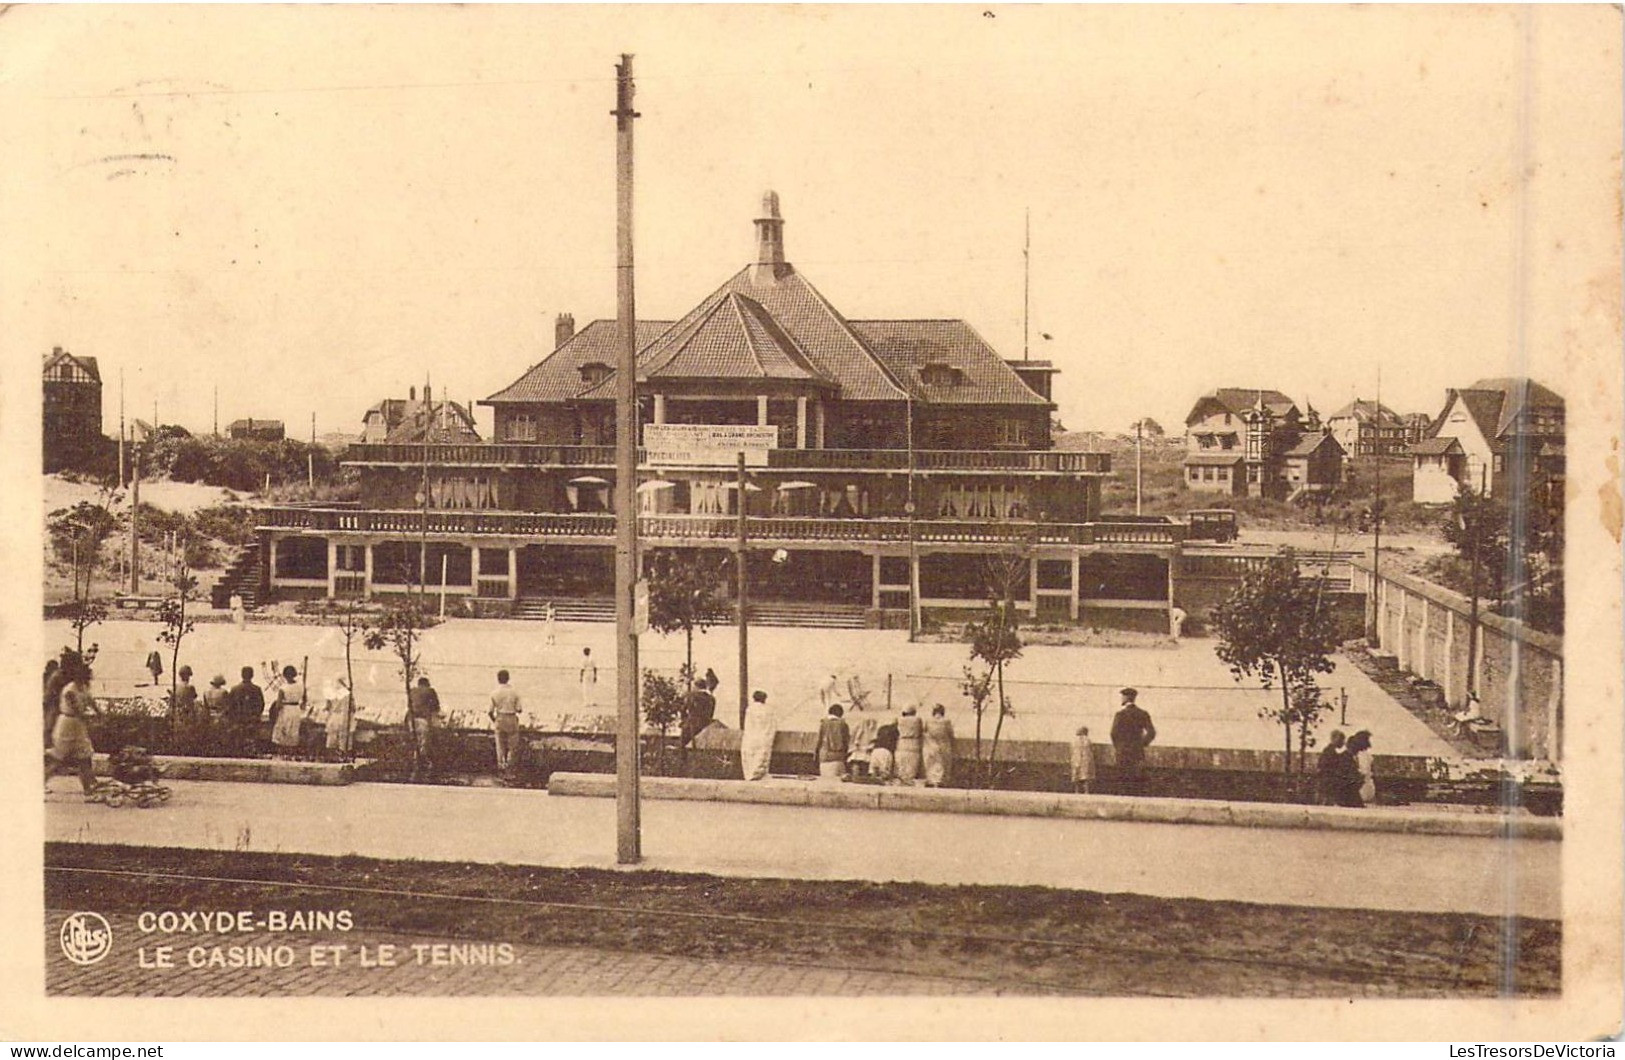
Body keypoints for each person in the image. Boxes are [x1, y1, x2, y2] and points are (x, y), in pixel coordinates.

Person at [45, 657, 100, 797]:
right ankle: (40, 783)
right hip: (67, 726)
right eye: (87, 676)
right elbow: (76, 709)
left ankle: (88, 789)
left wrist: (100, 713)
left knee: (85, 756)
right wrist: (89, 719)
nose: (89, 678)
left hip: (77, 725)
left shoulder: (83, 687)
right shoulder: (70, 690)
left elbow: (90, 700)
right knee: (59, 759)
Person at [1109, 687, 1156, 796]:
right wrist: (1142, 744)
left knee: (1123, 779)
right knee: (1136, 779)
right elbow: (1151, 732)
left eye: (1123, 696)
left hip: (1123, 752)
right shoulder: (1143, 713)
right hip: (1137, 751)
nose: (1121, 698)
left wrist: (1119, 747)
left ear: (1126, 697)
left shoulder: (1120, 714)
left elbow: (1113, 733)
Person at [407, 675, 442, 781]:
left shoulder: (412, 691)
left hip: (410, 721)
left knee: (415, 743)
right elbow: (436, 707)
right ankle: (423, 768)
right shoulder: (430, 691)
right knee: (424, 744)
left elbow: (409, 706)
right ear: (427, 684)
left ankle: (416, 768)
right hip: (423, 720)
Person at [227, 666, 266, 755]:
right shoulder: (256, 689)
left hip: (238, 719)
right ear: (252, 675)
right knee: (251, 741)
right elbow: (261, 704)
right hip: (252, 719)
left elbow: (230, 705)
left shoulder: (235, 689)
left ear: (241, 675)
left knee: (238, 741)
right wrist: (256, 715)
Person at [489, 669, 522, 773]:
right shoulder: (515, 693)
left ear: (498, 679)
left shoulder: (494, 693)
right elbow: (519, 709)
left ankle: (501, 766)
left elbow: (490, 711)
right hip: (511, 718)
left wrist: (495, 721)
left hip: (500, 718)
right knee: (512, 745)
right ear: (508, 679)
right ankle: (510, 766)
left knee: (500, 744)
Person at [270, 665, 306, 759]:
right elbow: (304, 700)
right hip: (296, 710)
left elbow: (278, 704)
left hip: (286, 710)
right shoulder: (301, 686)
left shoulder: (283, 688)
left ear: (285, 675)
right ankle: (292, 754)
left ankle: (282, 755)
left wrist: (275, 715)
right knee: (293, 732)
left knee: (282, 732)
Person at [740, 690, 776, 781]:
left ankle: (749, 775)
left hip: (751, 736)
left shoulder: (750, 709)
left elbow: (747, 725)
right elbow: (772, 726)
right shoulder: (769, 710)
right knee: (761, 757)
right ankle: (758, 774)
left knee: (749, 756)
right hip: (763, 737)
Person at [170, 665, 205, 754]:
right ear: (187, 676)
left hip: (178, 711)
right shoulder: (190, 687)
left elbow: (172, 700)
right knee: (189, 732)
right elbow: (194, 697)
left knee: (179, 731)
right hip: (188, 712)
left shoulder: (176, 687)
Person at [813, 703, 849, 781]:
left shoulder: (823, 723)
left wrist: (816, 755)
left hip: (825, 757)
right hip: (839, 757)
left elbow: (818, 741)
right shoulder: (844, 725)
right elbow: (846, 742)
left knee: (826, 781)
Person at [922, 704, 955, 788]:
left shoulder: (928, 721)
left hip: (931, 747)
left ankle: (932, 782)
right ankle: (940, 783)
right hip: (943, 746)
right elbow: (951, 734)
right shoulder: (946, 721)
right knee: (943, 765)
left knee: (931, 766)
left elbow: (924, 732)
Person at [324, 677, 356, 761]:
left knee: (332, 737)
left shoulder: (330, 693)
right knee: (344, 738)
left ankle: (331, 757)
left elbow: (327, 707)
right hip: (345, 716)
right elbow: (353, 707)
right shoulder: (348, 694)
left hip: (334, 716)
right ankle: (343, 756)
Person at [846, 699, 878, 780]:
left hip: (859, 749)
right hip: (865, 750)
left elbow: (854, 736)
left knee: (857, 764)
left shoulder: (860, 723)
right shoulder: (872, 723)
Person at [1316, 730, 1348, 806]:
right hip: (1329, 781)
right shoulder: (1330, 752)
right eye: (1341, 740)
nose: (1343, 742)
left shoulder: (1329, 751)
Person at [1345, 730, 1376, 807]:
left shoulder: (1363, 756)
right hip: (1368, 788)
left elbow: (1363, 772)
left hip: (1363, 790)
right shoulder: (1366, 755)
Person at [895, 704, 924, 784]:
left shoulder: (899, 719)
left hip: (902, 743)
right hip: (914, 743)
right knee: (911, 768)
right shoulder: (917, 720)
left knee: (901, 767)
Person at [683, 679, 717, 746]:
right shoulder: (711, 698)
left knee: (684, 744)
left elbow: (684, 709)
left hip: (692, 724)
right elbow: (711, 713)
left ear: (696, 687)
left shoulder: (691, 696)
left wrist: (684, 719)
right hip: (706, 724)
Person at [869, 718, 899, 782]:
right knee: (884, 772)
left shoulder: (881, 729)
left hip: (875, 751)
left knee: (873, 770)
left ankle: (873, 779)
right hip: (886, 751)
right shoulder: (894, 731)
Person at [1071, 724, 1097, 794]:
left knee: (1076, 775)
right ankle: (1086, 791)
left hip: (1077, 758)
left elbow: (1071, 750)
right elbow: (1092, 749)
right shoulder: (1088, 740)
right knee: (1086, 776)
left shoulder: (1074, 740)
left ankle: (1076, 791)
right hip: (1086, 759)